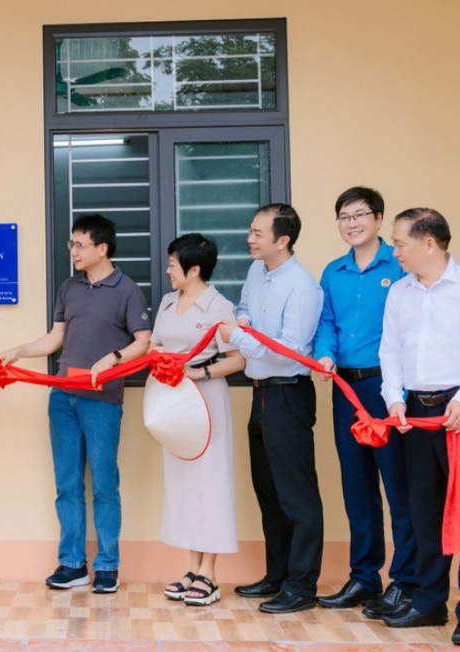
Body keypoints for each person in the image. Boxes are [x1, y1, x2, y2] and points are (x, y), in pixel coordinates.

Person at [0, 213, 151, 594]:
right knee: (67, 484)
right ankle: (71, 564)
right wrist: (18, 351)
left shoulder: (127, 289)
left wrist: (112, 359)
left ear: (103, 248)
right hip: (63, 398)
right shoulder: (69, 287)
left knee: (103, 484)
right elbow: (55, 339)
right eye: (72, 244)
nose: (73, 251)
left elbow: (143, 340)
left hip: (102, 400)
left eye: (80, 244)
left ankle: (108, 566)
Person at [378, 208, 460, 647]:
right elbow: (389, 349)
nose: (395, 251)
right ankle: (428, 603)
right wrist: (394, 398)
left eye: (400, 243)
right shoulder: (400, 293)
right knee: (422, 508)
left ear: (430, 243)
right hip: (415, 413)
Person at [313, 187, 417, 617]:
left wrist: (403, 397)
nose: (351, 223)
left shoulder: (400, 266)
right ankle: (364, 577)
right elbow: (326, 322)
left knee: (398, 486)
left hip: (388, 389)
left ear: (378, 219)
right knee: (357, 487)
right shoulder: (333, 271)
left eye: (359, 215)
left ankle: (406, 581)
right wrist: (325, 354)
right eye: (343, 216)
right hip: (346, 389)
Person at [218, 203, 324, 614]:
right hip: (260, 392)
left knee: (297, 495)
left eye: (258, 233)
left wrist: (241, 339)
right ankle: (276, 575)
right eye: (251, 230)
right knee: (269, 491)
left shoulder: (303, 286)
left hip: (288, 393)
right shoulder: (256, 272)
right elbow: (245, 310)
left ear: (283, 240)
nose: (250, 238)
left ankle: (301, 586)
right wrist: (243, 326)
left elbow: (291, 349)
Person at [150, 234, 246, 607]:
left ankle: (210, 574)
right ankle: (192, 568)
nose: (168, 270)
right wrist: (163, 361)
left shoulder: (219, 306)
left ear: (194, 269)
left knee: (211, 481)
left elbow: (237, 360)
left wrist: (196, 373)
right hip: (174, 401)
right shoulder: (168, 301)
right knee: (185, 482)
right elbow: (156, 344)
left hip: (206, 399)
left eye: (173, 264)